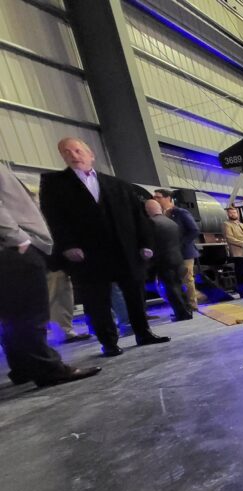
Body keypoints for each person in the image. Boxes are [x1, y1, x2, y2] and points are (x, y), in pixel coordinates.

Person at [39, 137, 170, 357]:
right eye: (66, 152)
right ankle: (108, 341)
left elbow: (138, 216)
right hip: (87, 254)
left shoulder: (118, 185)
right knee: (96, 300)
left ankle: (143, 332)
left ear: (91, 154)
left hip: (125, 250)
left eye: (77, 150)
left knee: (135, 294)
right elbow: (53, 218)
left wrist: (145, 243)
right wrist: (67, 245)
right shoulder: (54, 184)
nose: (73, 155)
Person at [0, 163, 101, 387]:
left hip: (10, 248)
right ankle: (48, 368)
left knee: (13, 314)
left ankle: (23, 367)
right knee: (30, 313)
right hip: (13, 248)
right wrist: (19, 238)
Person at [144, 199, 193, 321]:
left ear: (148, 210)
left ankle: (181, 314)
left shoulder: (150, 223)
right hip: (177, 258)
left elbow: (150, 244)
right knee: (179, 286)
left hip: (164, 261)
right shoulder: (171, 222)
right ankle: (187, 310)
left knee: (171, 288)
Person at [153, 189, 200, 310]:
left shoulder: (180, 212)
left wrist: (180, 244)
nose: (155, 199)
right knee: (172, 280)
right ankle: (180, 305)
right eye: (154, 197)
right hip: (169, 254)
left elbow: (194, 230)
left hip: (184, 252)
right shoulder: (159, 215)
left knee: (187, 279)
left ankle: (192, 304)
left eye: (158, 197)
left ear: (168, 198)